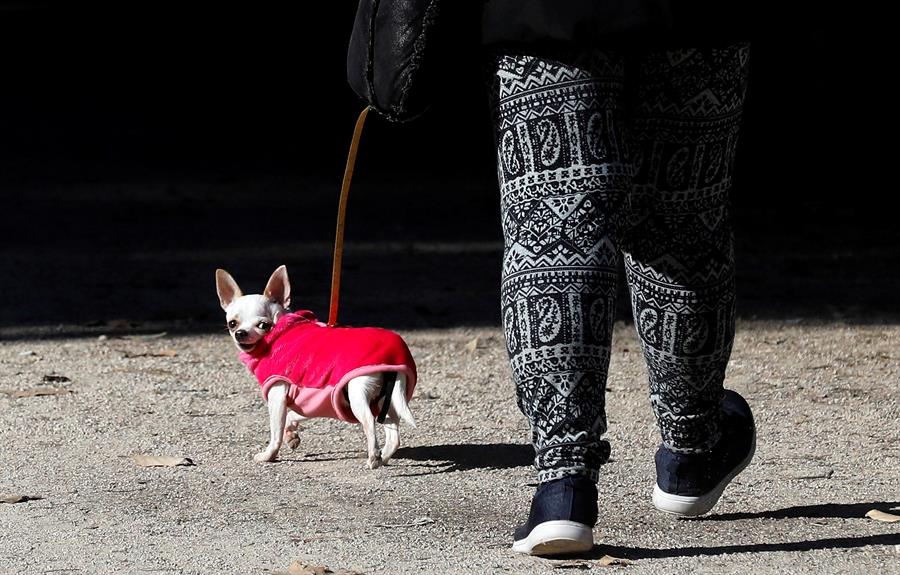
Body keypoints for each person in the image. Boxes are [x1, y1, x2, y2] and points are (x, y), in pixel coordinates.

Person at [479, 1, 757, 555]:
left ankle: (563, 488)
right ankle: (692, 449)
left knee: (555, 227)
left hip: (542, 19)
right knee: (684, 222)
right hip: (697, 20)